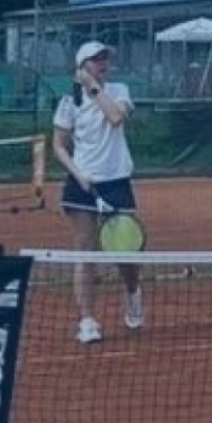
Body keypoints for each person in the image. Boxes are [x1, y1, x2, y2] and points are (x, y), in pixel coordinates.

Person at [52, 39, 143, 344]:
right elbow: (58, 145)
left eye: (105, 58)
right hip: (81, 186)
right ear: (82, 65)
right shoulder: (68, 102)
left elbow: (115, 118)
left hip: (116, 181)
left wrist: (92, 85)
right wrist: (77, 173)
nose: (103, 62)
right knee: (85, 253)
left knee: (126, 253)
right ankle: (88, 321)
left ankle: (132, 294)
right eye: (95, 59)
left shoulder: (118, 91)